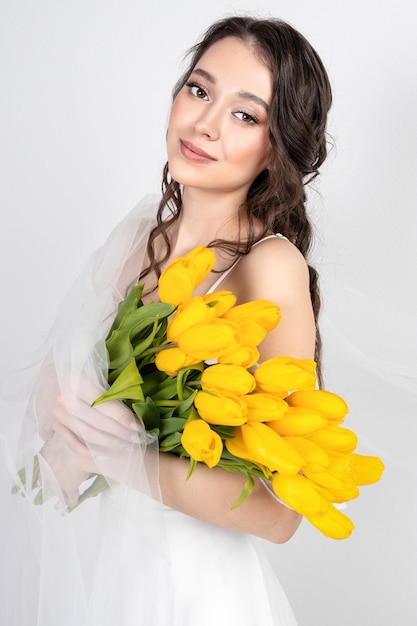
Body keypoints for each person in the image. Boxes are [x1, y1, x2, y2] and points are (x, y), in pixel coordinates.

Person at [0, 16, 332, 626]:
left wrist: (126, 456)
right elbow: (61, 425)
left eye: (245, 114)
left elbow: (281, 515)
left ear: (277, 145)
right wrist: (69, 422)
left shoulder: (270, 266)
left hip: (201, 596)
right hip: (112, 584)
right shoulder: (137, 241)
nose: (204, 123)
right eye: (200, 90)